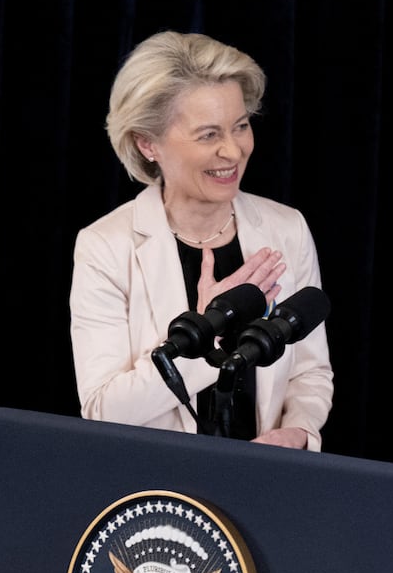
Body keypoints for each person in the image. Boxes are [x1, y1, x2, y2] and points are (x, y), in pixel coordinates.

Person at [69, 30, 332, 450]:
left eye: (241, 126)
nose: (233, 151)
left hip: (266, 483)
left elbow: (311, 371)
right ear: (147, 143)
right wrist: (208, 335)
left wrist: (299, 432)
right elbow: (104, 410)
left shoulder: (287, 229)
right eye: (209, 135)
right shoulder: (106, 245)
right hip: (160, 491)